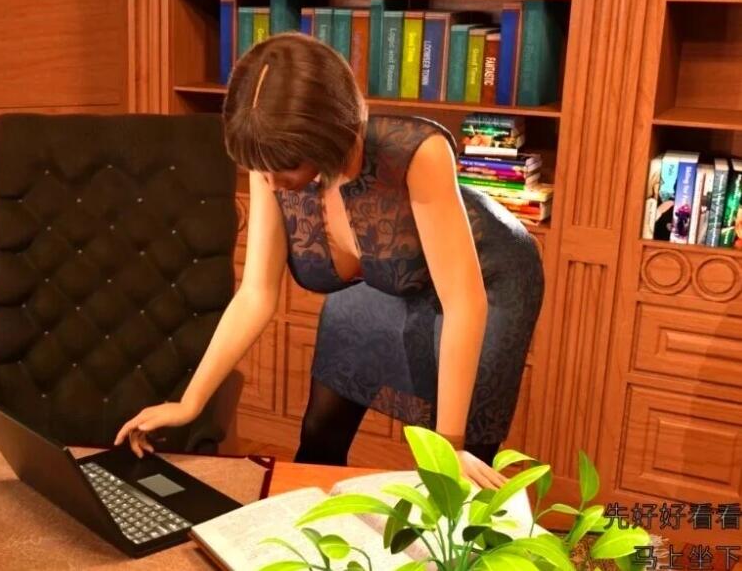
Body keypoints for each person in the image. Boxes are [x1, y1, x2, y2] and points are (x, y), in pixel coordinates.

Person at [114, 33, 544, 490]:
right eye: (261, 169)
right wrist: (190, 403)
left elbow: (464, 302)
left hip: (485, 278)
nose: (270, 183)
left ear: (326, 141)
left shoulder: (417, 152)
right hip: (378, 277)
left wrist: (449, 446)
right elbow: (256, 293)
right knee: (321, 431)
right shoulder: (272, 161)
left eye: (284, 169)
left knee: (457, 466)